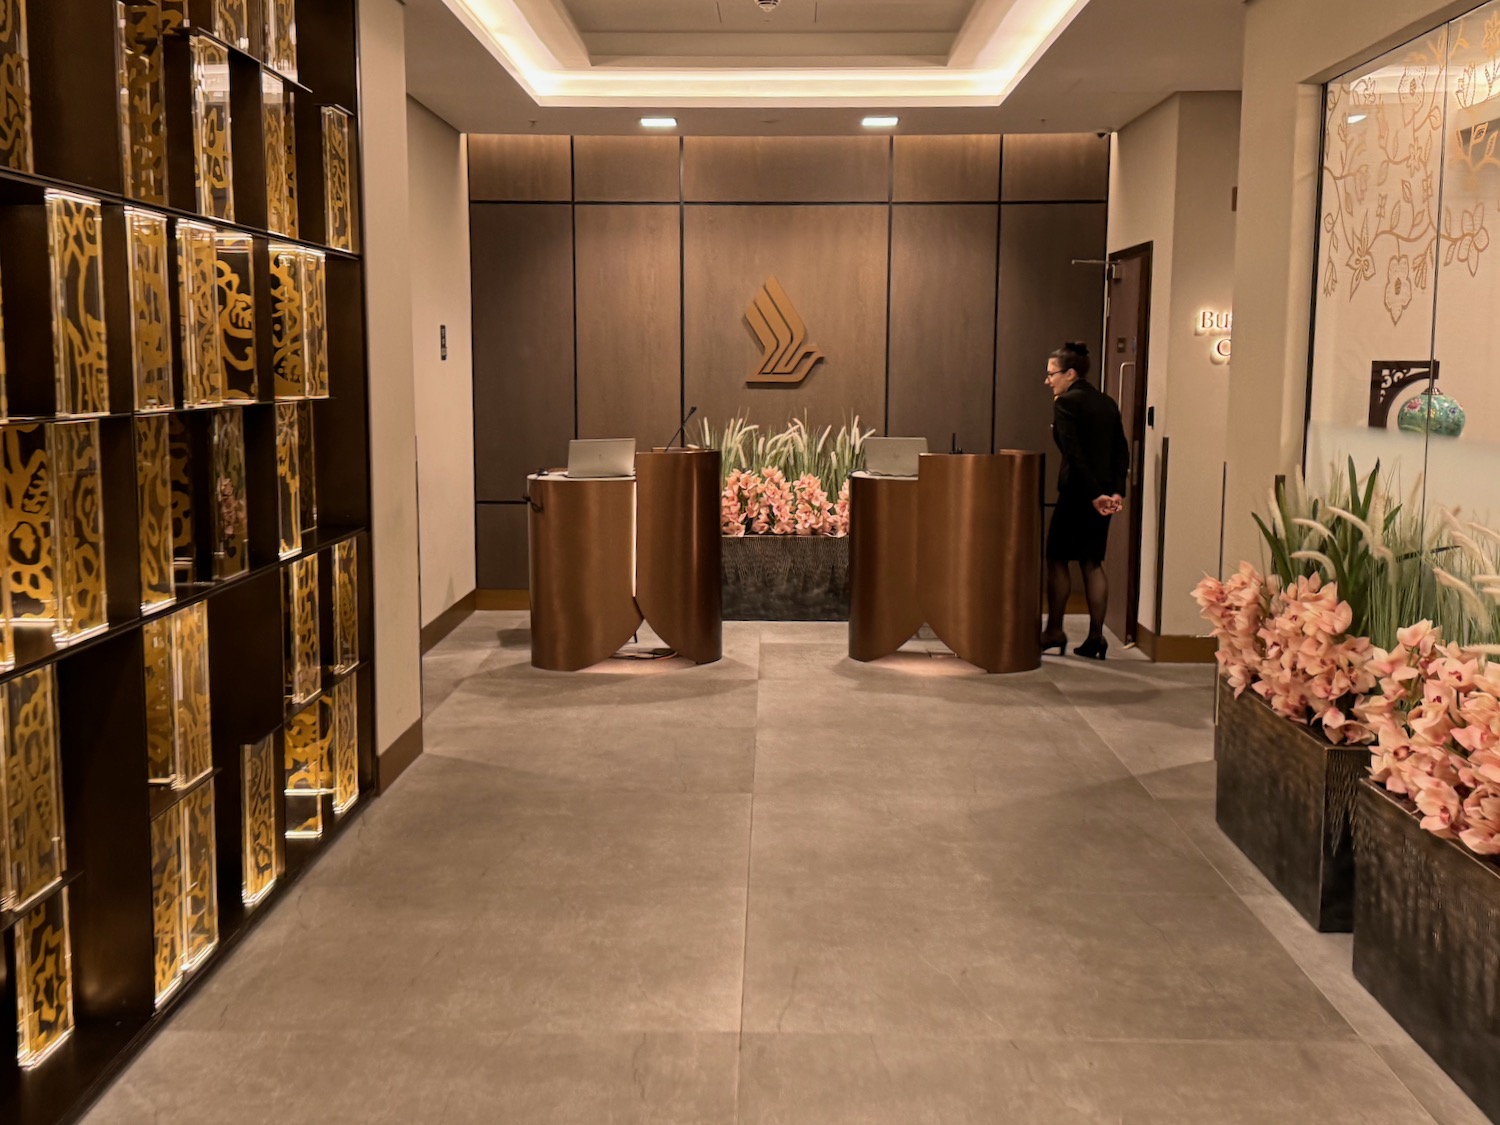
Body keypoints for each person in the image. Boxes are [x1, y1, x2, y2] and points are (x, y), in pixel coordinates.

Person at [1039, 341, 1130, 660]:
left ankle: (1054, 631)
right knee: (1092, 563)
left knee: (1057, 559)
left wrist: (1093, 495)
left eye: (1052, 374)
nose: (1048, 380)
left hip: (1079, 495)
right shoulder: (1107, 403)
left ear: (1071, 373)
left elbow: (1074, 454)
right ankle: (1096, 638)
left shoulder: (1066, 403)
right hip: (1103, 497)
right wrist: (1115, 492)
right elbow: (1121, 451)